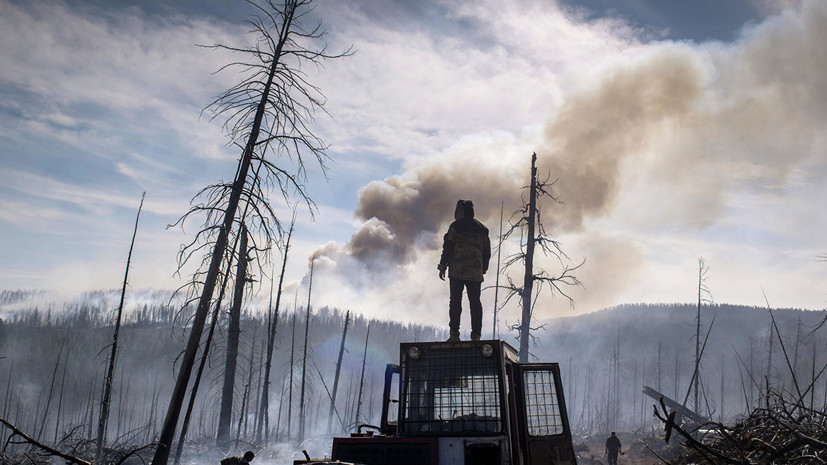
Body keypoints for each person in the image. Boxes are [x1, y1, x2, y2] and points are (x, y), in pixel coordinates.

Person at [438, 199, 490, 342]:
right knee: (475, 303)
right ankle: (476, 335)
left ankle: (454, 334)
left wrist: (442, 266)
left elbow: (448, 247)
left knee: (455, 302)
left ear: (460, 211)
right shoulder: (483, 229)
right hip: (475, 273)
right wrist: (483, 269)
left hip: (457, 272)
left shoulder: (455, 226)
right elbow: (487, 252)